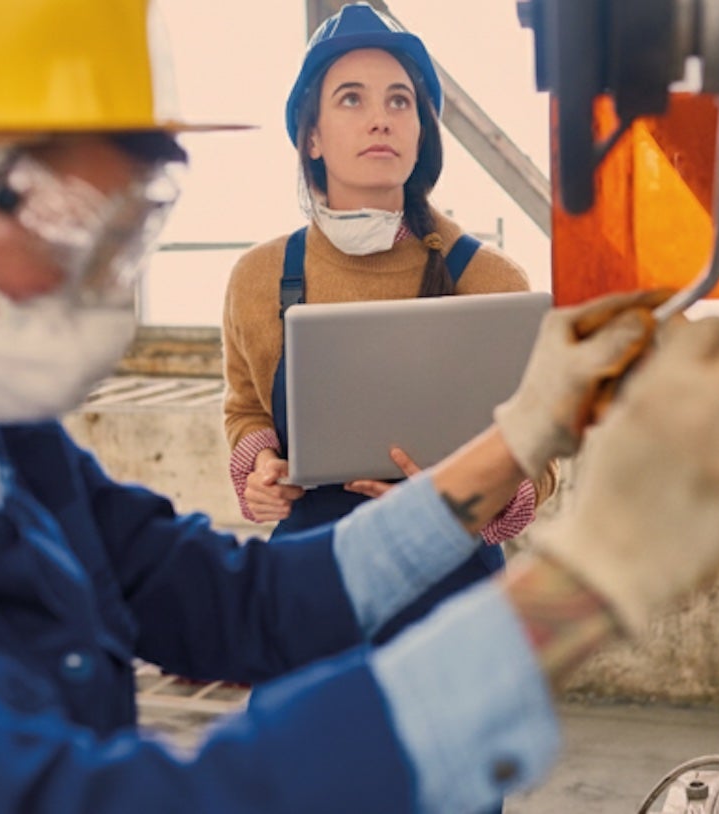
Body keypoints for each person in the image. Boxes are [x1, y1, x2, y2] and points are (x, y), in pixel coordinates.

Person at [0, 1, 719, 812]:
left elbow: (242, 604)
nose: (107, 287)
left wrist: (514, 442)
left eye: (135, 230)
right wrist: (585, 587)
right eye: (77, 223)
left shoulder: (0, 443)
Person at [222, 3, 557, 641]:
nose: (381, 118)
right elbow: (246, 412)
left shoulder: (490, 282)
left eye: (400, 101)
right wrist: (258, 471)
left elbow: (539, 458)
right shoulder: (260, 278)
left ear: (421, 132)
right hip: (312, 586)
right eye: (351, 99)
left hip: (453, 606)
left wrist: (467, 504)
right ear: (311, 136)